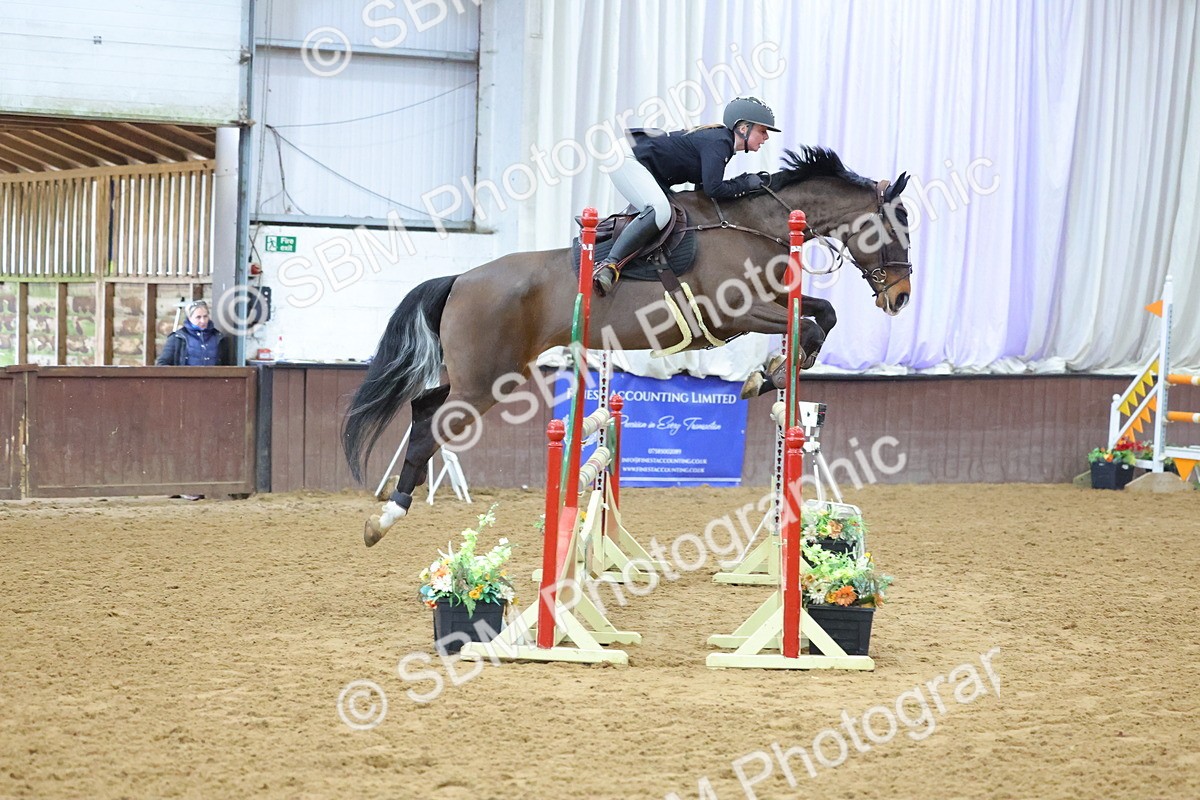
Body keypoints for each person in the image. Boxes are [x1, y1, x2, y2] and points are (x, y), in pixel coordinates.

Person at [591, 96, 781, 296]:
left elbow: (704, 191)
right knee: (660, 211)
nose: (766, 137)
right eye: (762, 131)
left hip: (643, 163)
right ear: (743, 129)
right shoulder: (720, 143)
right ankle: (608, 264)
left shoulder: (723, 144)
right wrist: (746, 183)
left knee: (672, 211)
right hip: (626, 157)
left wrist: (744, 186)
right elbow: (713, 189)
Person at [156, 300, 233, 366]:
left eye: (205, 316)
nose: (203, 321)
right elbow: (162, 364)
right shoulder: (177, 338)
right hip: (185, 381)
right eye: (198, 317)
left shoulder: (218, 338)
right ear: (189, 318)